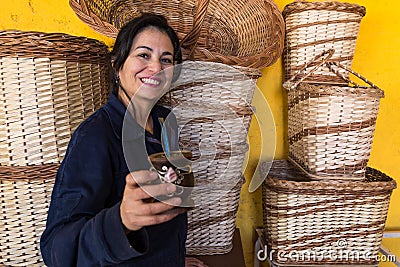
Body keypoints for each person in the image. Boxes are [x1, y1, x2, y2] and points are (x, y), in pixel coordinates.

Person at [40, 13, 206, 267]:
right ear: (117, 65)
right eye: (143, 55)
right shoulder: (94, 137)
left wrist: (176, 257)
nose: (156, 68)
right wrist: (120, 221)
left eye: (166, 60)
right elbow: (56, 251)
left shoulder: (165, 122)